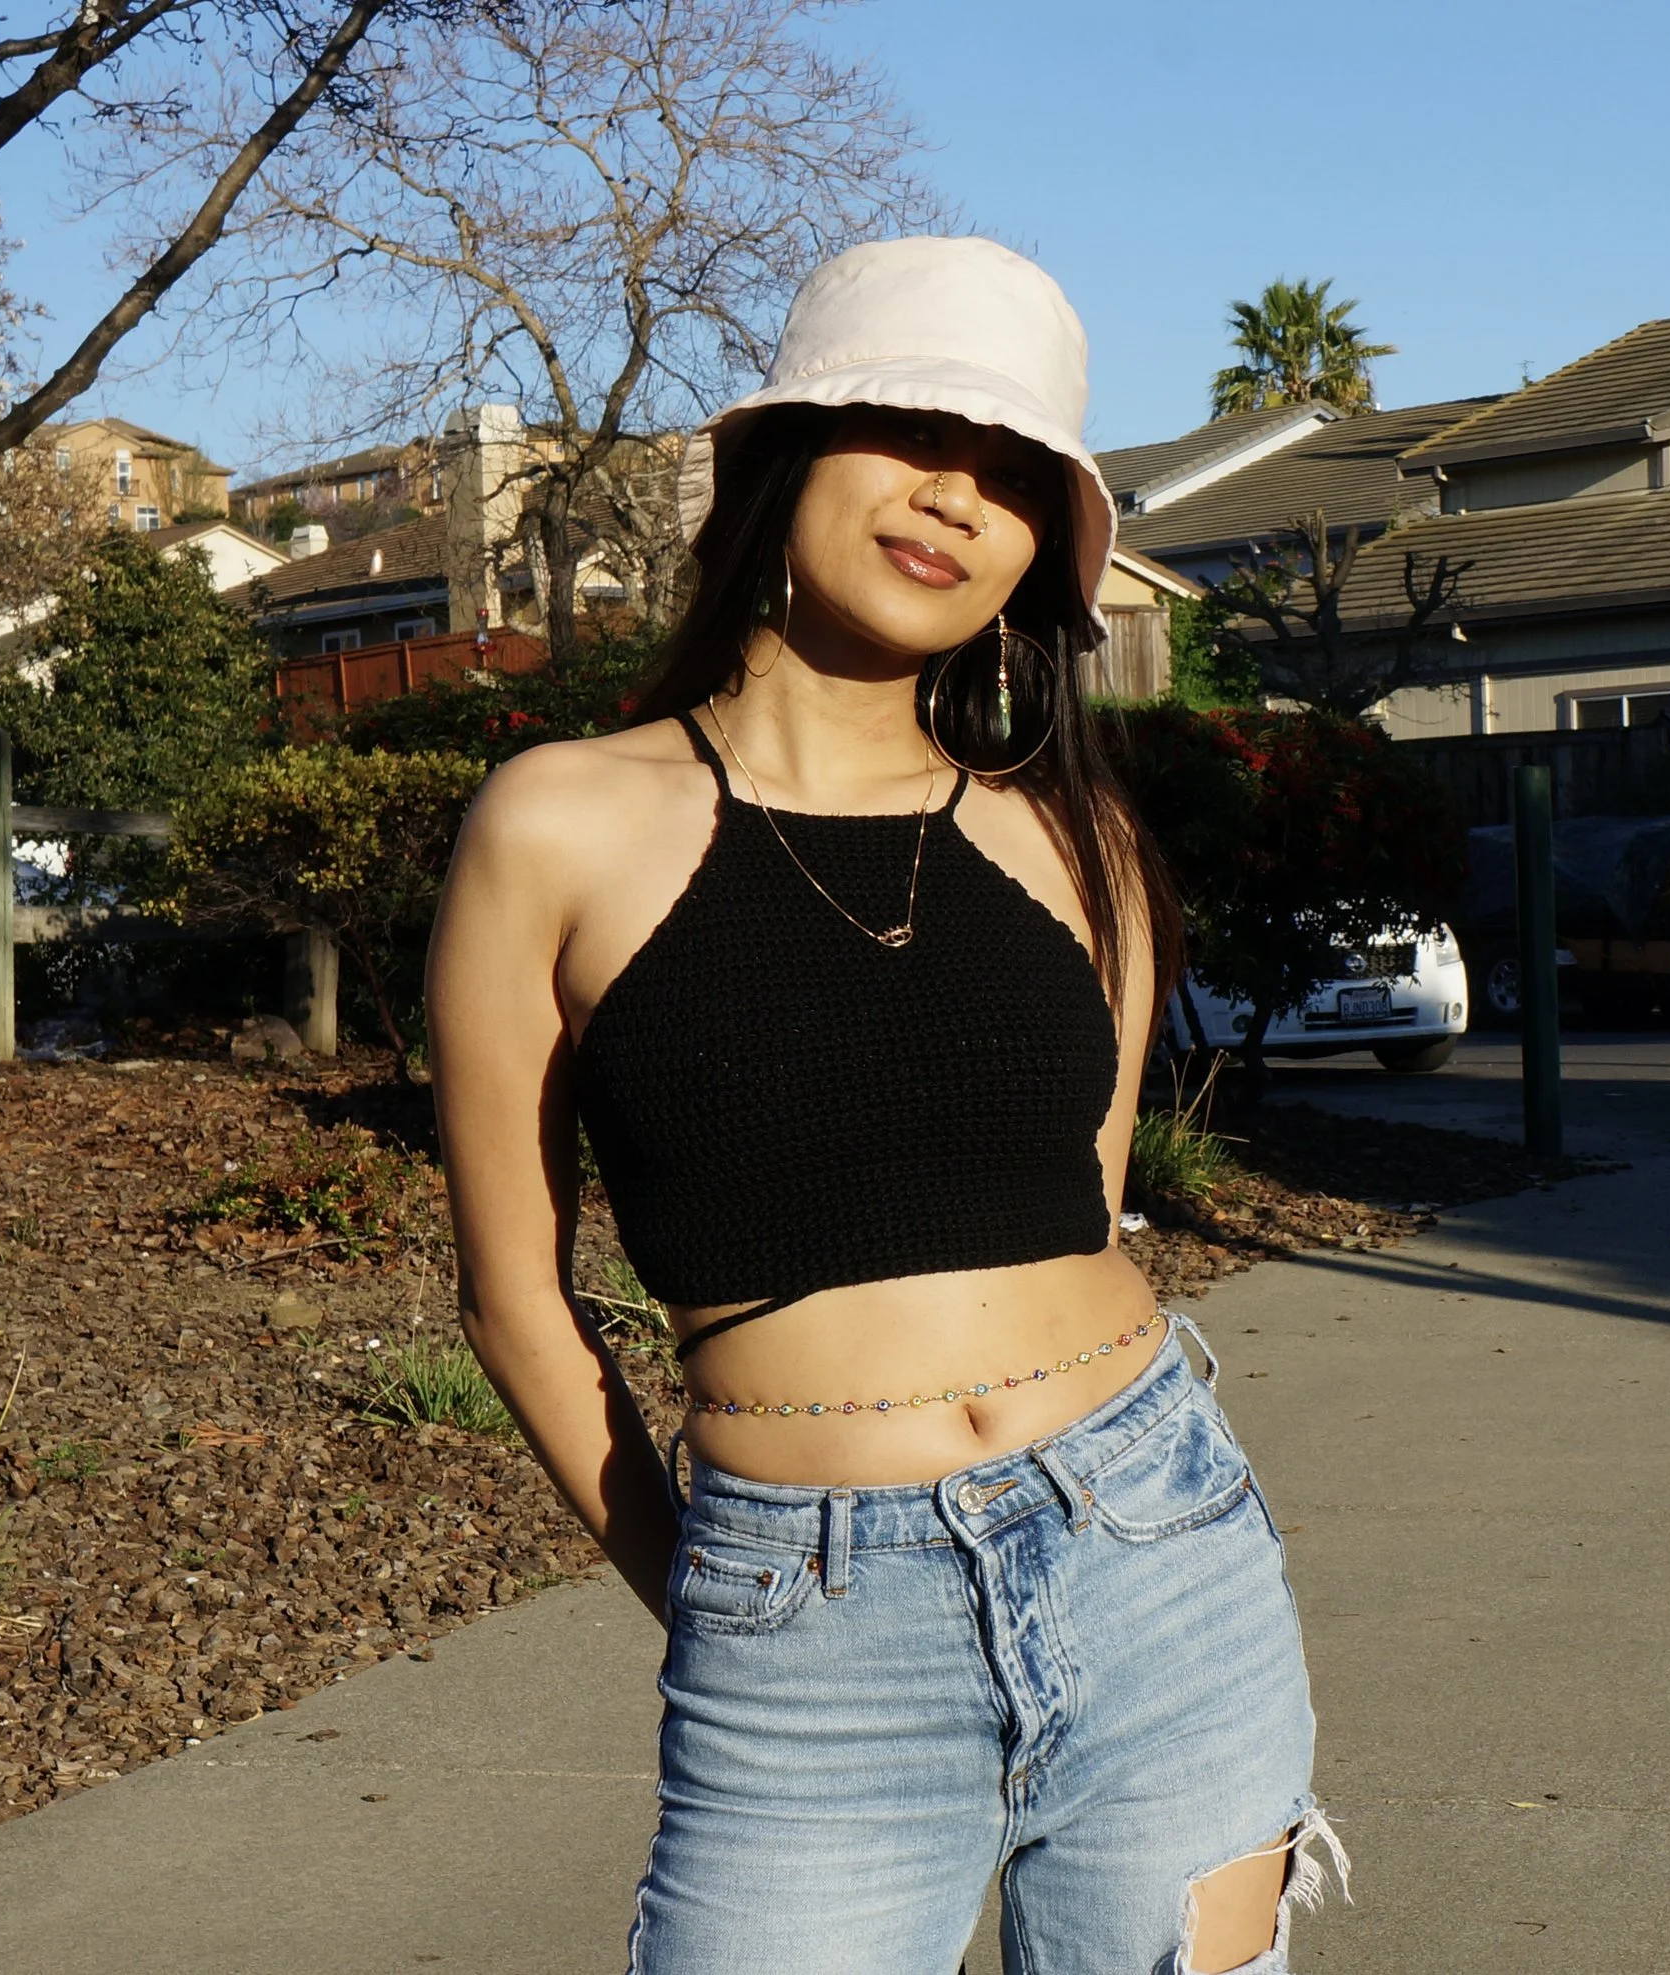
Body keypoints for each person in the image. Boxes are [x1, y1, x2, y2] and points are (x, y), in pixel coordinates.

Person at [426, 235, 1346, 1974]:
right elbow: (515, 1299)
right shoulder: (558, 821)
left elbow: (1082, 1205)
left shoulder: (1078, 840)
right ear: (786, 455)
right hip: (807, 1628)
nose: (954, 496)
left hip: (1159, 1547)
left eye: (1013, 478)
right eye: (912, 430)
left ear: (1038, 561)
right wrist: (718, 1588)